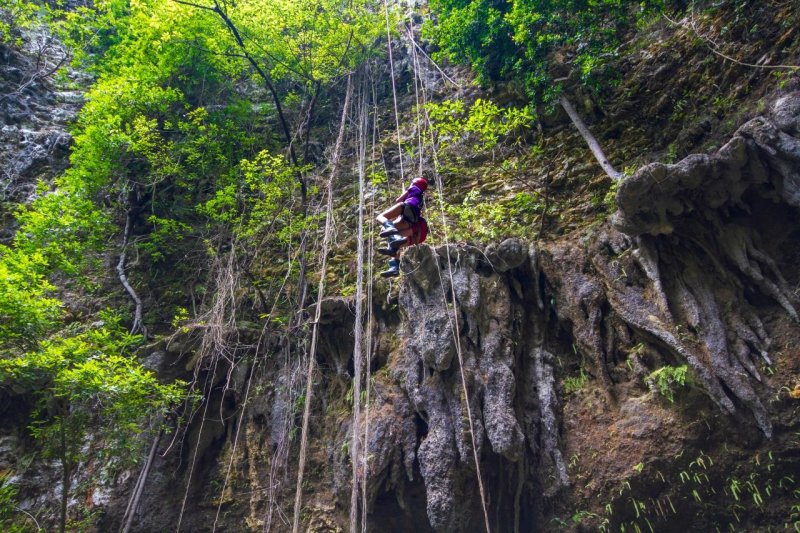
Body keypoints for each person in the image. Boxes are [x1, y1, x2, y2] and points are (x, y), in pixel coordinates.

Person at [376, 177, 429, 277]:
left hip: (407, 206)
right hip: (413, 220)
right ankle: (394, 267)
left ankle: (389, 229)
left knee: (380, 217)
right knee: (395, 243)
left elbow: (398, 200)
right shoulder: (420, 197)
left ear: (414, 183)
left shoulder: (413, 188)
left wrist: (405, 192)